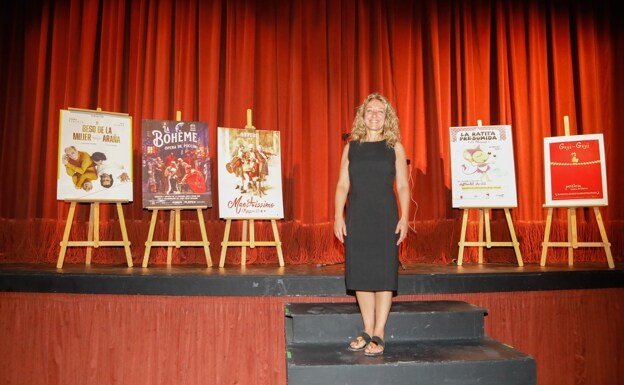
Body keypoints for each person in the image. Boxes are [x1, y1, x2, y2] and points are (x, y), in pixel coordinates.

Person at [333, 93, 409, 356]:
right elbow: (343, 184)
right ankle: (366, 328)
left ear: (387, 117)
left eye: (380, 111)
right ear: (362, 117)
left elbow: (402, 185)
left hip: (385, 216)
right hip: (358, 216)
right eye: (370, 111)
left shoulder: (395, 147)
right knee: (362, 274)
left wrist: (405, 217)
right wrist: (337, 216)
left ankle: (379, 331)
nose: (375, 115)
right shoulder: (352, 147)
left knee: (384, 275)